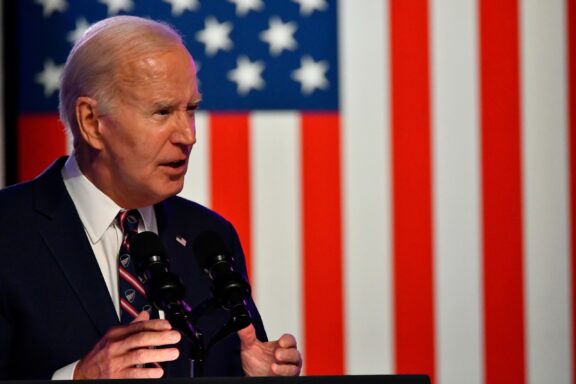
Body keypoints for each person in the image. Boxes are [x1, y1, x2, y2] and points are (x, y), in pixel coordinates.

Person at [0, 15, 302, 380]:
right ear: (91, 122)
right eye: (162, 112)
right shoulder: (8, 231)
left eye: (190, 109)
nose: (188, 136)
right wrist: (77, 378)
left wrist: (252, 377)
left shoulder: (208, 236)